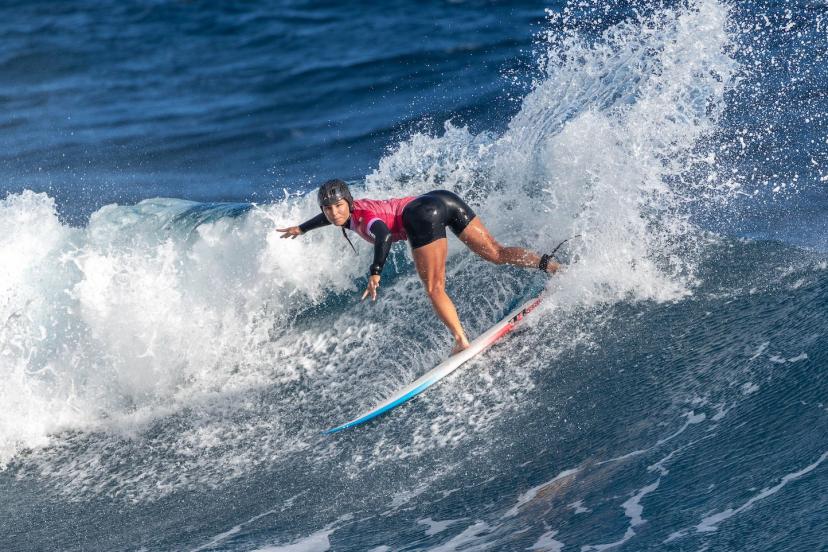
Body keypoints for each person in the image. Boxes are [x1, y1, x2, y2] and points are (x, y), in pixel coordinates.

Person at [277, 179, 560, 355]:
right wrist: (302, 228)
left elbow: (384, 235)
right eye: (328, 208)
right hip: (441, 198)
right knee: (495, 252)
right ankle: (551, 266)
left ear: (348, 203)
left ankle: (461, 340)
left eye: (338, 206)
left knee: (435, 288)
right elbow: (332, 219)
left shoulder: (364, 219)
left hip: (420, 215)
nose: (333, 212)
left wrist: (375, 271)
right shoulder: (348, 212)